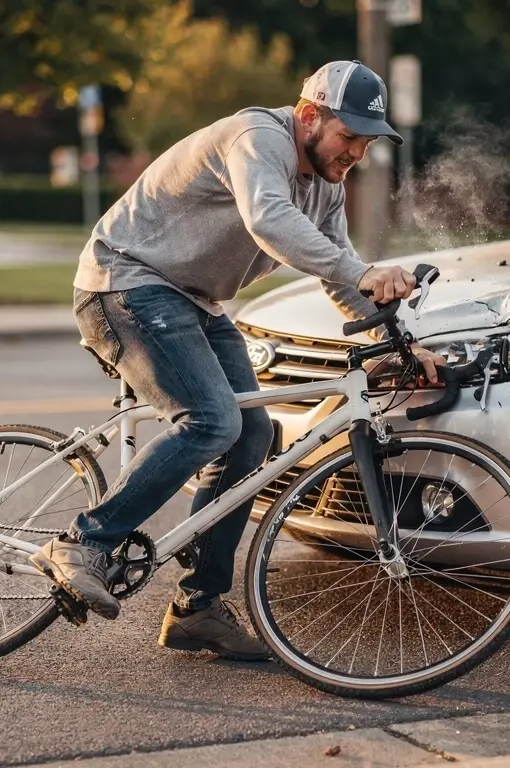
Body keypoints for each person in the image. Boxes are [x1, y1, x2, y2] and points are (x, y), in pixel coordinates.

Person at [31, 60, 446, 661]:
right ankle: (85, 541)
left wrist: (402, 345)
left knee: (253, 433)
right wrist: (362, 271)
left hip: (190, 298)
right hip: (124, 280)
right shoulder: (259, 139)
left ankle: (197, 609)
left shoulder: (326, 184)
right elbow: (269, 221)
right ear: (310, 116)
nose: (356, 151)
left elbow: (340, 272)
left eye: (367, 140)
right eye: (348, 135)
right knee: (212, 421)